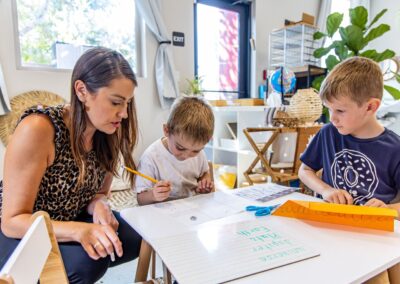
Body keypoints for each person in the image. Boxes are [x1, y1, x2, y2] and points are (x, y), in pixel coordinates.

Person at [0, 47, 142, 284]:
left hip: (66, 219)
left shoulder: (108, 131)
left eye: (127, 103)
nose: (124, 114)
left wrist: (99, 204)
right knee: (87, 262)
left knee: (136, 235)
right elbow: (13, 221)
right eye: (116, 102)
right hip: (20, 231)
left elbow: (98, 193)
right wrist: (79, 230)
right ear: (82, 91)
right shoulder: (39, 128)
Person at [298, 56, 400, 283]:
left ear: (371, 106)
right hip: (329, 232)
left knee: (382, 275)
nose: (332, 118)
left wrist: (388, 209)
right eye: (329, 109)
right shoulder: (328, 133)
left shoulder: (395, 148)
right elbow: (304, 171)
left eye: (340, 111)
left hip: (375, 237)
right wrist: (325, 190)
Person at [135, 96, 215, 205]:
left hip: (192, 209)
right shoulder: (151, 157)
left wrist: (205, 184)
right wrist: (153, 195)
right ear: (166, 130)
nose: (186, 155)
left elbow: (204, 173)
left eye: (195, 151)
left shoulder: (199, 154)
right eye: (180, 148)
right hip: (162, 212)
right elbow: (140, 198)